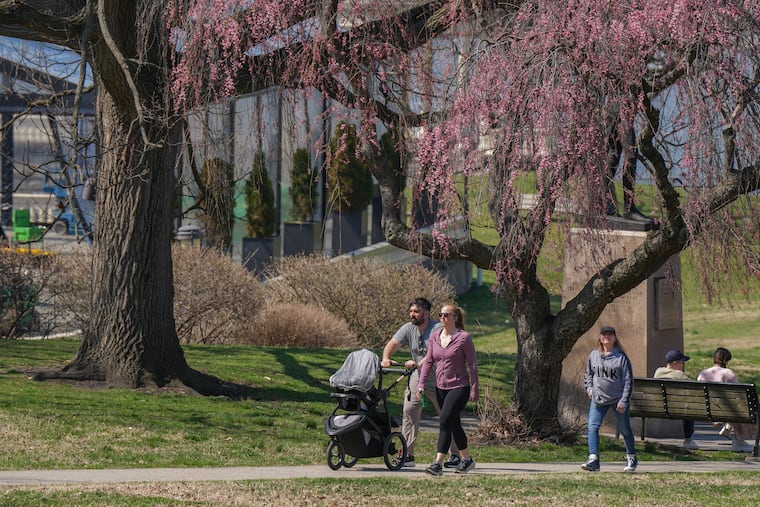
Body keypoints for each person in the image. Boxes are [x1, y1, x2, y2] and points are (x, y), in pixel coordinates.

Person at [380, 298, 460, 468]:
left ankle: (455, 455)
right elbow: (392, 344)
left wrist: (417, 363)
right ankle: (407, 455)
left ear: (426, 313)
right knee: (409, 412)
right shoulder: (408, 328)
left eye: (416, 311)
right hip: (419, 377)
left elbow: (433, 354)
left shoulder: (437, 329)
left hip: (441, 377)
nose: (412, 315)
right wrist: (386, 358)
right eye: (411, 311)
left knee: (447, 417)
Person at [417, 303, 479, 476]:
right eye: (441, 315)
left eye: (446, 315)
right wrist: (421, 384)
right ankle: (467, 460)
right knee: (454, 424)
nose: (442, 318)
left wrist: (475, 389)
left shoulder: (464, 338)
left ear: (455, 318)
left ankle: (438, 464)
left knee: (444, 420)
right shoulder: (435, 337)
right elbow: (429, 361)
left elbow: (473, 365)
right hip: (441, 387)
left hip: (459, 386)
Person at [581, 325, 638, 473]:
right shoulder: (594, 355)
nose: (607, 337)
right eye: (604, 335)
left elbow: (628, 380)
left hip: (617, 400)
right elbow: (588, 374)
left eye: (610, 335)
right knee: (593, 427)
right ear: (600, 338)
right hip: (598, 399)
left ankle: (631, 458)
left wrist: (624, 400)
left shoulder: (621, 358)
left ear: (614, 338)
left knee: (625, 429)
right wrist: (589, 389)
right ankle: (593, 459)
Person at [697, 347, 754, 452]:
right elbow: (738, 394)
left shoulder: (703, 374)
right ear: (726, 360)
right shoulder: (728, 373)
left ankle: (728, 424)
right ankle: (739, 441)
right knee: (742, 406)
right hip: (726, 409)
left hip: (706, 409)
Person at [653, 349, 699, 449]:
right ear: (675, 363)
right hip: (676, 409)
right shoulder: (680, 375)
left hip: (656, 408)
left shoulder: (658, 372)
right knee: (690, 409)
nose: (683, 365)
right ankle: (688, 439)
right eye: (682, 362)